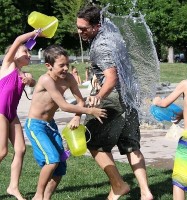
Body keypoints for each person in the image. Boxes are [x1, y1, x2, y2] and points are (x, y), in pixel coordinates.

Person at [77, 6, 153, 200]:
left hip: (112, 98)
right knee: (131, 146)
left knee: (92, 141)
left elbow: (111, 78)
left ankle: (119, 185)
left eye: (84, 28)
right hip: (130, 96)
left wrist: (99, 96)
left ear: (96, 26)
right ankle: (146, 193)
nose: (79, 32)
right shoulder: (111, 31)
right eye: (78, 27)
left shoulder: (101, 46)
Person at [24, 44, 107, 200]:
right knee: (52, 160)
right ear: (49, 66)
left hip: (51, 125)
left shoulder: (69, 78)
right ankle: (38, 195)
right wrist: (90, 111)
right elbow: (63, 105)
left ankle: (45, 198)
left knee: (60, 166)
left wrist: (77, 116)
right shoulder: (46, 79)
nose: (65, 68)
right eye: (61, 65)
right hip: (36, 125)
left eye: (67, 64)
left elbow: (79, 101)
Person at [153, 50, 187, 200]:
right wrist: (182, 114)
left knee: (179, 182)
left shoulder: (186, 84)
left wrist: (157, 101)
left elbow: (165, 103)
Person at [0, 31, 38, 200]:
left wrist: (31, 81)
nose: (29, 54)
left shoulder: (24, 75)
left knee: (21, 149)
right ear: (14, 55)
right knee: (2, 152)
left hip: (11, 114)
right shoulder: (7, 66)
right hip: (0, 112)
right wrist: (35, 33)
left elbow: (35, 83)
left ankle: (13, 187)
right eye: (26, 52)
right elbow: (17, 40)